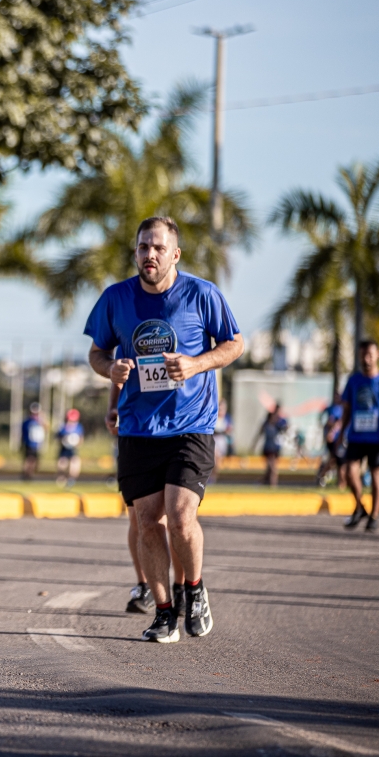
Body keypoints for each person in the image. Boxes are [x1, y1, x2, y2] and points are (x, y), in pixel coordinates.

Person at [85, 216, 243, 644]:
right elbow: (97, 352)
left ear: (175, 254)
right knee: (146, 521)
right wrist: (110, 368)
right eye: (143, 247)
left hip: (191, 424)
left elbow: (234, 344)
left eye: (158, 248)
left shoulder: (202, 294)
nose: (149, 255)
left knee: (180, 515)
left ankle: (195, 588)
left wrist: (195, 364)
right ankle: (164, 612)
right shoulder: (116, 298)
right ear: (135, 252)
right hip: (139, 428)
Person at [106, 382, 187, 617]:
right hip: (137, 432)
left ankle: (181, 588)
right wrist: (113, 406)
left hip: (179, 430)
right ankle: (145, 586)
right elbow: (118, 371)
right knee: (139, 519)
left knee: (177, 517)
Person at [339, 340, 379, 532]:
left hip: (376, 438)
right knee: (350, 472)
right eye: (363, 355)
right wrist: (341, 432)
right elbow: (347, 409)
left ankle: (374, 516)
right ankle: (360, 507)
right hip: (356, 436)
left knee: (375, 474)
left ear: (377, 355)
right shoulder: (353, 381)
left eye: (370, 355)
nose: (366, 359)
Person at [254, 404, 288, 487]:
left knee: (270, 469)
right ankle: (273, 485)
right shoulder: (266, 425)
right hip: (268, 448)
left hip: (275, 449)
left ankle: (262, 483)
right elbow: (259, 435)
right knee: (272, 468)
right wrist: (253, 446)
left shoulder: (278, 425)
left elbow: (285, 430)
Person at [317, 403, 346, 488]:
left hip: (340, 439)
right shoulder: (333, 409)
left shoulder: (342, 408)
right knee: (338, 461)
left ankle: (340, 482)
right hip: (335, 440)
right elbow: (330, 422)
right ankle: (341, 483)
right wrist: (331, 432)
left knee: (337, 461)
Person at [56, 409, 84, 487]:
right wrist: (63, 441)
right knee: (62, 464)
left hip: (73, 450)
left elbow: (81, 438)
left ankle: (71, 480)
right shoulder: (62, 427)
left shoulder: (78, 427)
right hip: (64, 449)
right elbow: (58, 437)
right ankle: (61, 478)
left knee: (74, 464)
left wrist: (77, 443)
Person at [20, 402, 46, 480]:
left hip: (37, 444)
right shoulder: (27, 422)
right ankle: (27, 474)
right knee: (29, 459)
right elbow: (23, 433)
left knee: (35, 461)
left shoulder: (41, 421)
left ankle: (30, 473)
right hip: (29, 444)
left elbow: (46, 428)